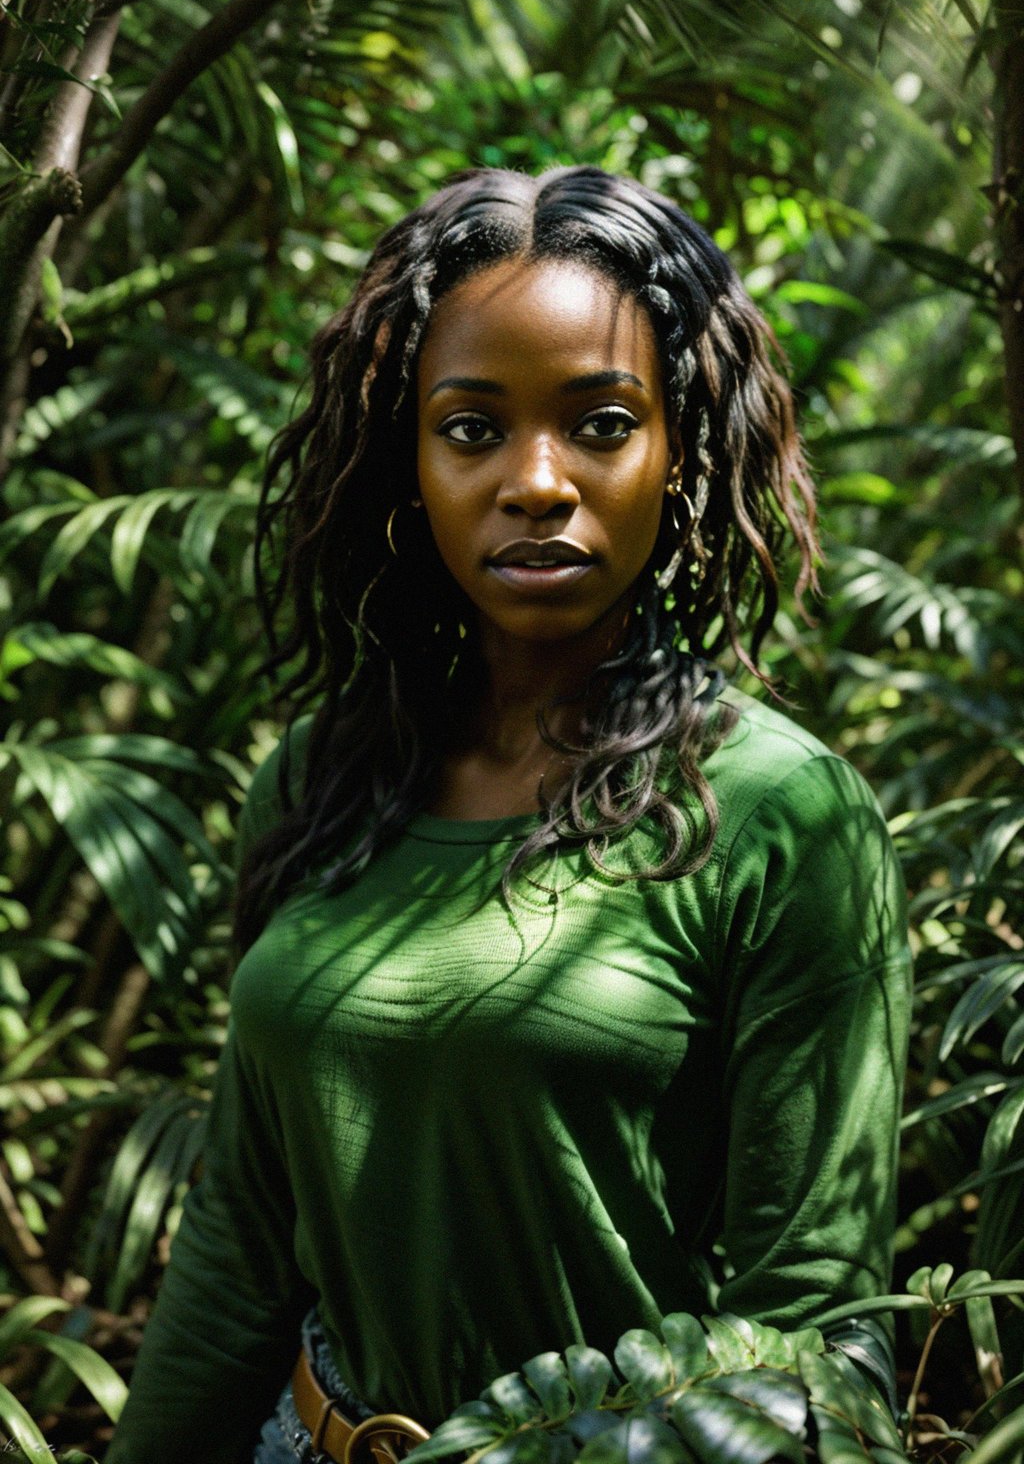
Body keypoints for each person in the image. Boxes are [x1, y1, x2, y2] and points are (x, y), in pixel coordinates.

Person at [105, 166, 911, 1464]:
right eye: (472, 430)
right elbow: (245, 1242)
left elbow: (810, 1330)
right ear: (406, 459)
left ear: (682, 448)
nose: (537, 481)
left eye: (600, 422)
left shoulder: (784, 814)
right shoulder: (318, 781)